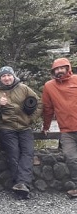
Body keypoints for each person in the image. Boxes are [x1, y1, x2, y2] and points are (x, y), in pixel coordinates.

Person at [0, 66, 42, 199]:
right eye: (3, 76)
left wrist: (31, 119)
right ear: (0, 78)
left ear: (13, 76)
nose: (6, 78)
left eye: (9, 75)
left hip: (25, 127)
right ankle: (21, 185)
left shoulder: (23, 88)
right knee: (14, 154)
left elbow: (39, 103)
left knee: (28, 153)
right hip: (7, 127)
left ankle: (21, 184)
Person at [42, 57, 77, 197]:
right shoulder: (49, 86)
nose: (59, 71)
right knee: (70, 158)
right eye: (56, 69)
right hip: (67, 130)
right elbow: (48, 108)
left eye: (62, 68)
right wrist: (46, 126)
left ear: (68, 68)